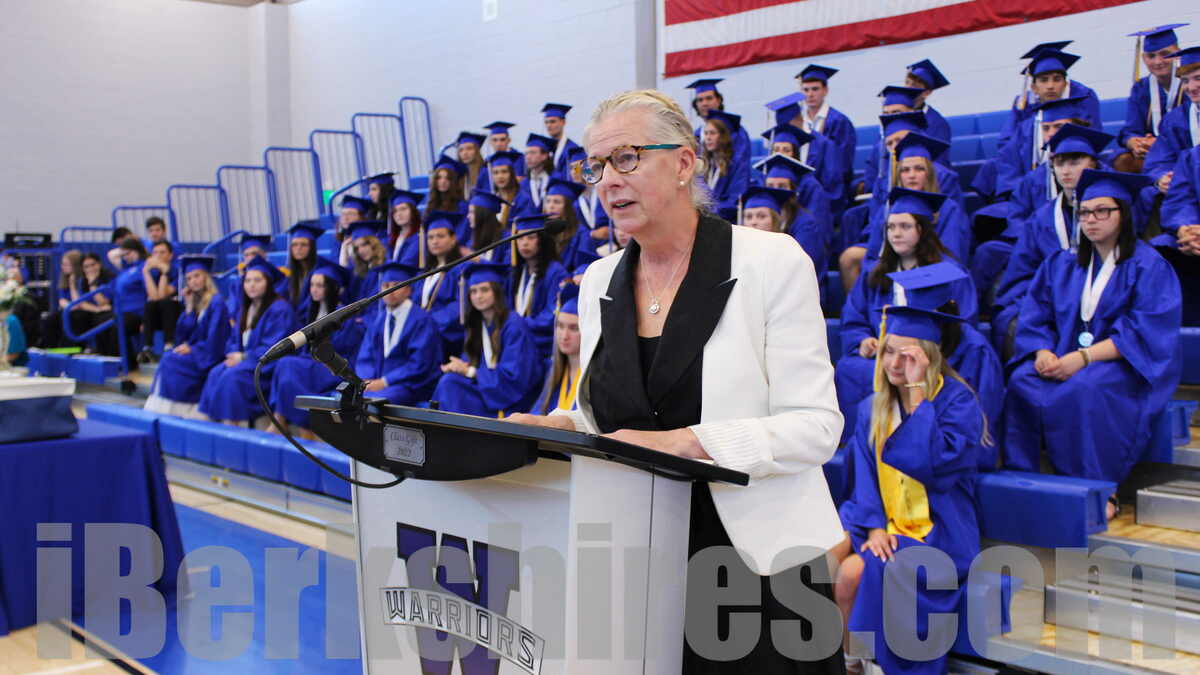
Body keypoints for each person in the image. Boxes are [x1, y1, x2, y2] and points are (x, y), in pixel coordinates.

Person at [510, 89, 846, 672]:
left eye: (627, 158)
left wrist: (685, 443)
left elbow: (816, 427)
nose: (608, 180)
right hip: (637, 556)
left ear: (685, 163)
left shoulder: (770, 261)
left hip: (758, 565)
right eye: (596, 166)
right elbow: (612, 413)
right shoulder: (599, 281)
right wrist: (562, 426)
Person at [1002, 170, 1181, 518]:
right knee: (1022, 381)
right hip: (1067, 357)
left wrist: (1082, 358)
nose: (1091, 219)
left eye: (1102, 211)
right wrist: (1042, 352)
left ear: (1122, 214)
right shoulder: (1061, 263)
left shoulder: (1149, 266)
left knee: (1086, 389)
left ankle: (1099, 491)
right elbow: (1036, 314)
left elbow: (1144, 332)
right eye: (1084, 212)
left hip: (1124, 365)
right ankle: (1025, 484)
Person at [832, 304, 986, 675]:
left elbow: (930, 467)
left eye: (908, 356)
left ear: (929, 358)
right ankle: (839, 660)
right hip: (881, 519)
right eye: (888, 351)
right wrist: (873, 527)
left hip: (938, 531)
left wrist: (918, 395)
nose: (895, 363)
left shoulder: (958, 402)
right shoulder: (872, 407)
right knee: (822, 555)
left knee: (852, 574)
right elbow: (864, 475)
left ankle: (862, 663)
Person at [836, 190, 978, 445]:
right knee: (850, 368)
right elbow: (854, 316)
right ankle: (864, 444)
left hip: (930, 358)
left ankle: (920, 441)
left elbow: (961, 326)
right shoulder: (875, 273)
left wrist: (923, 350)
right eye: (891, 227)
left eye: (905, 226)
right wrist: (863, 340)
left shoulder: (949, 272)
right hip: (885, 357)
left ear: (922, 230)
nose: (896, 233)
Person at [991, 124, 1113, 356]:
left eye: (1075, 162)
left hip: (1102, 299)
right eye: (1059, 163)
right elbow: (1021, 274)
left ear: (1093, 164)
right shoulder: (1041, 219)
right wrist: (1038, 303)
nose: (1065, 171)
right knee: (1015, 325)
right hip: (1049, 300)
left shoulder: (1112, 213)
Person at [267, 259, 368, 436]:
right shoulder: (313, 311)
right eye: (312, 285)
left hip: (332, 368)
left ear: (332, 288)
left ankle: (283, 421)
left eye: (320, 285)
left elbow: (338, 350)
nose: (314, 289)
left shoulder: (343, 315)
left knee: (287, 365)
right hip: (312, 363)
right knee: (286, 371)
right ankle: (286, 420)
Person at [197, 255, 299, 427]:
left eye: (257, 280)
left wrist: (243, 357)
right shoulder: (247, 308)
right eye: (248, 280)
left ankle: (233, 427)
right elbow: (233, 340)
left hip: (267, 366)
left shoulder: (279, 309)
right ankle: (211, 428)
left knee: (232, 377)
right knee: (215, 372)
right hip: (247, 362)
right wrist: (233, 354)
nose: (251, 285)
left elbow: (275, 347)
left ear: (268, 283)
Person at [431, 261, 542, 417]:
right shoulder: (477, 325)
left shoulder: (514, 325)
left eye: (484, 290)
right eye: (473, 291)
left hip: (510, 398)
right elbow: (471, 362)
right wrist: (458, 367)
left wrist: (469, 371)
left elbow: (515, 377)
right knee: (449, 380)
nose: (478, 296)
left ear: (496, 291)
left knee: (450, 386)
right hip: (488, 391)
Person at [143, 255, 230, 418]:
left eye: (197, 276)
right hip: (199, 352)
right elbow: (181, 336)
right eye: (189, 278)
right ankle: (168, 411)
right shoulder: (196, 302)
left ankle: (183, 411)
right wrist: (189, 308)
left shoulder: (216, 302)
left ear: (206, 277)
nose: (193, 281)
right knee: (169, 357)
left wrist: (193, 349)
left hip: (210, 354)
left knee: (171, 360)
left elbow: (216, 339)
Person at [355, 261, 444, 407]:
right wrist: (366, 380)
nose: (390, 291)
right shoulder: (379, 320)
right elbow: (366, 355)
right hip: (379, 385)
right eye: (386, 286)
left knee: (372, 402)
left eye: (396, 285)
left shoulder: (421, 320)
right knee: (347, 398)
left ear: (409, 289)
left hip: (411, 386)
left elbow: (420, 363)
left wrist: (385, 382)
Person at [1000, 43, 1102, 146]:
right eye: (1044, 80)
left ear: (1065, 83)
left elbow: (1094, 135)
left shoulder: (1084, 96)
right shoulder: (1023, 102)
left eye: (1057, 79)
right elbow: (1007, 141)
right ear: (1034, 88)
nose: (1050, 86)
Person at [1118, 25, 1188, 172]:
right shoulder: (1140, 88)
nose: (1158, 61)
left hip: (1185, 149)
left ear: (1178, 53)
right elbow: (1131, 129)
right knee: (1123, 161)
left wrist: (1161, 142)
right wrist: (1135, 142)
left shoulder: (1190, 84)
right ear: (1144, 59)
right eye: (1151, 56)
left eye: (1165, 54)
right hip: (1152, 154)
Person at [509, 214, 568, 358]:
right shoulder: (518, 272)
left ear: (542, 240)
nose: (524, 243)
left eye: (531, 237)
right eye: (520, 238)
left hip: (542, 345)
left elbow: (552, 313)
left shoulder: (556, 272)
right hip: (520, 340)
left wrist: (519, 324)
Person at [739, 185, 827, 278]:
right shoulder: (739, 251)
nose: (753, 222)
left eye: (762, 216)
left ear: (775, 221)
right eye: (748, 217)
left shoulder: (789, 250)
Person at [1143, 45, 1200, 185]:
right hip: (1188, 188)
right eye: (1185, 81)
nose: (1191, 87)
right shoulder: (1175, 120)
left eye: (1198, 78)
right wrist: (1162, 178)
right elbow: (1159, 161)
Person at [413, 212, 468, 357]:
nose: (435, 241)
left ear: (453, 239)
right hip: (424, 334)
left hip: (448, 338)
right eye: (430, 237)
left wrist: (430, 321)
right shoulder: (425, 273)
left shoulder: (461, 269)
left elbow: (460, 305)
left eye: (440, 236)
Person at [794, 64, 856, 190]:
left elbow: (843, 163)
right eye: (806, 90)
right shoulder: (797, 121)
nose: (810, 94)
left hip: (830, 186)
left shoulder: (839, 121)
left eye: (815, 89)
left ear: (825, 90)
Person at [1160, 144, 1200, 324]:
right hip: (1195, 242)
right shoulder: (1193, 156)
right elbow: (1179, 201)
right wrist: (1185, 229)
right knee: (1164, 249)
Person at [686, 79, 752, 186]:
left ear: (719, 100)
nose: (704, 103)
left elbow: (741, 171)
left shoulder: (736, 132)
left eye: (709, 98)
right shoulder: (695, 136)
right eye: (700, 100)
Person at [532, 283, 582, 414]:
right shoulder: (554, 371)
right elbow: (538, 412)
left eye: (574, 328)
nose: (564, 336)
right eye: (560, 326)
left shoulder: (595, 378)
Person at [107, 238, 149, 369]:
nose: (125, 257)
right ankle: (111, 361)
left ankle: (127, 365)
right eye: (123, 254)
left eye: (128, 253)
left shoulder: (145, 267)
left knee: (119, 327)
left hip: (138, 313)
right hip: (121, 311)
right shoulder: (124, 270)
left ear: (137, 251)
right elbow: (111, 254)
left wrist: (146, 319)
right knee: (103, 323)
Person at [543, 177, 600, 270]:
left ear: (568, 207)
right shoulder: (542, 231)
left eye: (557, 202)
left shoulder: (582, 235)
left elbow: (585, 266)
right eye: (548, 201)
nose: (551, 206)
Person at [138, 240, 181, 362]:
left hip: (176, 311)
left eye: (162, 252)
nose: (158, 256)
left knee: (166, 303)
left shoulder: (177, 270)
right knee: (150, 305)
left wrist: (165, 272)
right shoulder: (151, 271)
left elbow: (162, 295)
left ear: (170, 255)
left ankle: (169, 345)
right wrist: (146, 272)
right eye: (155, 253)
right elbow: (154, 297)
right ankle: (147, 348)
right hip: (158, 314)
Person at [39, 249, 84, 348]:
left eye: (66, 264)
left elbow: (78, 303)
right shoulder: (63, 279)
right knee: (49, 319)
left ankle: (71, 348)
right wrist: (70, 306)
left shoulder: (82, 280)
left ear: (75, 266)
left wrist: (72, 285)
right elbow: (62, 301)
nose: (62, 267)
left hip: (80, 312)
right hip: (68, 309)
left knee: (71, 318)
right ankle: (50, 348)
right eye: (62, 264)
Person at [72, 253, 114, 351]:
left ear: (99, 264)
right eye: (86, 267)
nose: (90, 269)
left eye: (93, 264)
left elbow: (102, 302)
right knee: (75, 316)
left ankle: (103, 352)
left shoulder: (109, 277)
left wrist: (92, 284)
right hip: (95, 310)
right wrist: (97, 310)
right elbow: (81, 303)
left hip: (109, 311)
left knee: (101, 320)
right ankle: (77, 350)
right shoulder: (82, 280)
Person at [905, 59, 953, 143]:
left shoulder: (937, 124)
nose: (908, 88)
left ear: (927, 92)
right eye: (907, 83)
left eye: (914, 85)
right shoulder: (896, 114)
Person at [345, 220, 388, 303]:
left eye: (364, 245)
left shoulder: (384, 269)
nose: (360, 251)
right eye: (357, 248)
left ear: (374, 244)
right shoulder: (361, 271)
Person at [284, 222, 322, 312]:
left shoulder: (320, 272)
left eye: (304, 244)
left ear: (312, 247)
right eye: (294, 245)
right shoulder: (288, 274)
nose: (298, 248)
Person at [466, 189, 511, 263]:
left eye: (472, 212)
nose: (468, 216)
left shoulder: (506, 240)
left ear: (483, 215)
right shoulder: (472, 241)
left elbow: (508, 267)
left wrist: (479, 260)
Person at [519, 133, 557, 216]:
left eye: (532, 153)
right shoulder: (523, 184)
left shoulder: (557, 179)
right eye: (526, 153)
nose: (528, 157)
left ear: (544, 156)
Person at [423, 157, 469, 222]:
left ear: (454, 182)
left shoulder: (461, 206)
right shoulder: (431, 204)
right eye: (439, 178)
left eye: (448, 178)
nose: (443, 181)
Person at [541, 103, 580, 178]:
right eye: (546, 122)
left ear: (563, 122)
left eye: (552, 121)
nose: (548, 125)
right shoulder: (545, 150)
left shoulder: (574, 150)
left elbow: (578, 175)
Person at [388, 189, 424, 266]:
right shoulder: (393, 239)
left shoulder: (420, 237)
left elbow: (408, 263)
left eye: (403, 209)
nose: (399, 214)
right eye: (395, 211)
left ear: (413, 211)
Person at [486, 150, 523, 220]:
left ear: (512, 174)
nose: (500, 176)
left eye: (504, 171)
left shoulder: (521, 199)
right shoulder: (491, 200)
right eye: (495, 173)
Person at [336, 194, 371, 267]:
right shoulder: (340, 239)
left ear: (361, 217)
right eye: (343, 214)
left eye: (350, 214)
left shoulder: (369, 238)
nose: (345, 218)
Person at [455, 131, 487, 198]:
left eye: (469, 148)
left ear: (477, 151)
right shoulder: (458, 175)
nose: (465, 153)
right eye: (461, 150)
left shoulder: (485, 172)